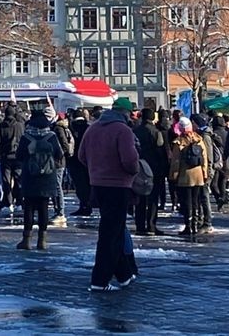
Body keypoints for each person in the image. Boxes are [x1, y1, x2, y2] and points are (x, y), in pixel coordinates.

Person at [77, 97, 140, 292]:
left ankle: (124, 275)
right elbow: (130, 161)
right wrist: (134, 169)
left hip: (98, 184)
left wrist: (96, 170)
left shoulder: (93, 128)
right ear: (126, 113)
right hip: (119, 186)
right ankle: (100, 280)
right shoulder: (123, 131)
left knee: (114, 230)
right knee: (110, 234)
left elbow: (81, 155)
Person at [15, 106, 64, 251]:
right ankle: (42, 240)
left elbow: (19, 156)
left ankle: (26, 240)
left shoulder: (26, 137)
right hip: (47, 177)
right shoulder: (52, 137)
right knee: (44, 208)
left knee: (29, 208)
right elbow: (59, 154)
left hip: (30, 176)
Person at [169, 117, 211, 236]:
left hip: (184, 176)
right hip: (198, 175)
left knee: (186, 202)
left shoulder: (179, 142)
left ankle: (188, 226)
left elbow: (175, 162)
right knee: (196, 201)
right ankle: (196, 224)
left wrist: (173, 175)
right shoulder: (199, 139)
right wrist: (204, 173)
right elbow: (204, 159)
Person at [132, 109, 167, 236]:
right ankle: (151, 225)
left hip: (139, 167)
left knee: (139, 197)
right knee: (153, 199)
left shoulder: (135, 131)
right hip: (154, 168)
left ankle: (139, 225)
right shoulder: (156, 132)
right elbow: (160, 150)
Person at [0, 106, 24, 213]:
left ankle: (8, 202)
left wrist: (0, 151)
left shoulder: (1, 127)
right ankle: (19, 202)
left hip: (5, 157)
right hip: (18, 156)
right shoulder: (20, 126)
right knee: (18, 180)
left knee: (6, 181)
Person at [67, 109, 93, 216]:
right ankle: (88, 204)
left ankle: (83, 205)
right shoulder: (89, 128)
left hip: (74, 160)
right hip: (88, 160)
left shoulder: (71, 127)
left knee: (79, 185)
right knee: (88, 183)